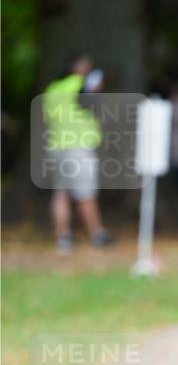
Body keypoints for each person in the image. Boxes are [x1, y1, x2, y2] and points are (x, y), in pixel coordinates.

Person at [43, 55, 114, 253]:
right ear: (78, 67)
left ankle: (63, 237)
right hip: (78, 147)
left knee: (61, 193)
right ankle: (97, 234)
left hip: (56, 146)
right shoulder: (81, 83)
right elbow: (89, 99)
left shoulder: (53, 88)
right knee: (86, 193)